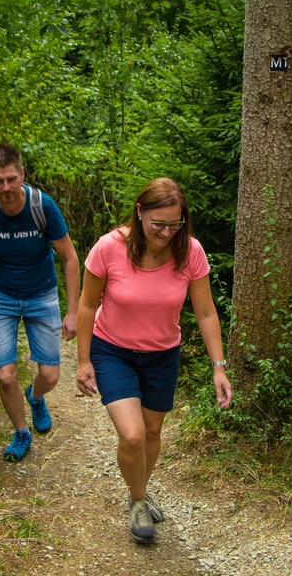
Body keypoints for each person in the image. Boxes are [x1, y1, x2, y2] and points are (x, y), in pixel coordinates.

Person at [76, 178, 232, 543]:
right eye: (158, 223)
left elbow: (206, 312)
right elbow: (87, 304)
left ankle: (140, 491)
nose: (165, 232)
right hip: (112, 350)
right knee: (131, 435)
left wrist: (218, 367)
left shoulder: (190, 251)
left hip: (163, 355)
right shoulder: (109, 248)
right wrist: (84, 361)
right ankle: (137, 499)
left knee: (151, 432)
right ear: (140, 212)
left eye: (174, 224)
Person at [0, 143, 80, 462]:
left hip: (41, 293)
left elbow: (69, 257)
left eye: (12, 178)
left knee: (51, 375)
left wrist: (73, 311)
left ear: (22, 173)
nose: (7, 187)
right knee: (5, 375)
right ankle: (21, 432)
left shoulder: (43, 205)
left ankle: (36, 396)